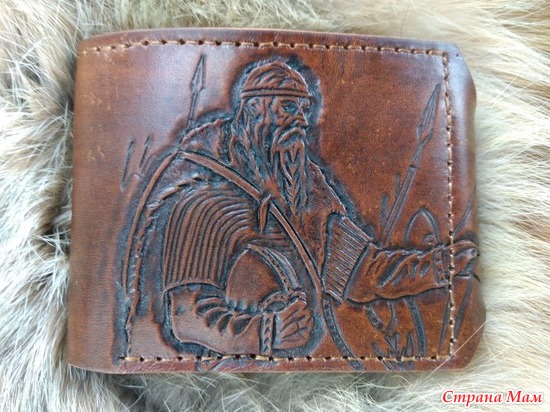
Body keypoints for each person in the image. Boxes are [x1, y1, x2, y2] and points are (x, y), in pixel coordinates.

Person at [132, 59, 477, 359]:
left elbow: (362, 273)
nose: (301, 120)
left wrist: (434, 267)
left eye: (303, 110)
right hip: (216, 383)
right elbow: (187, 318)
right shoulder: (203, 197)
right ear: (253, 111)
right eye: (287, 108)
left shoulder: (307, 193)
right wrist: (265, 333)